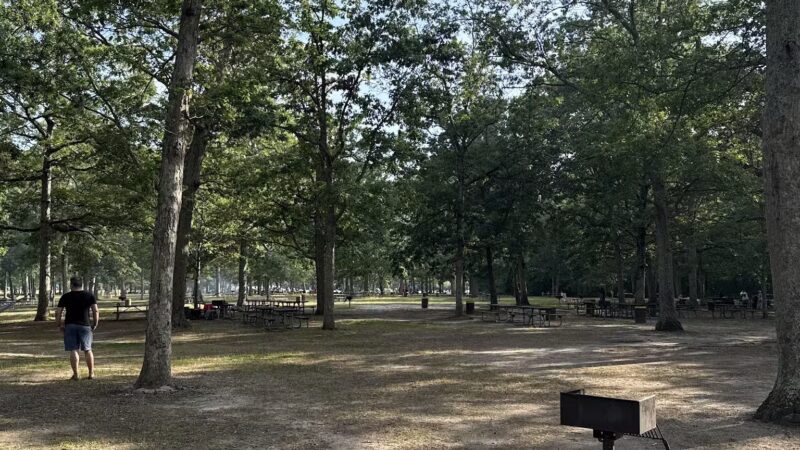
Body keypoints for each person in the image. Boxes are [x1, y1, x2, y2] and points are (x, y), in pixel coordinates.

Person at [55, 277, 99, 380]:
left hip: (70, 325)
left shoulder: (65, 296)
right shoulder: (89, 295)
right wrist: (95, 323)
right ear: (81, 284)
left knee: (73, 349)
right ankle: (91, 373)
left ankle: (76, 374)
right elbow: (95, 310)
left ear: (71, 285)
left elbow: (58, 312)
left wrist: (59, 324)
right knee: (88, 349)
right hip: (85, 325)